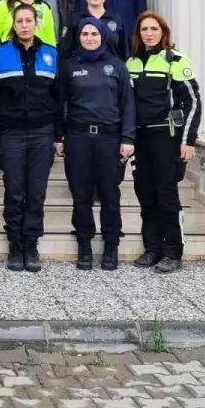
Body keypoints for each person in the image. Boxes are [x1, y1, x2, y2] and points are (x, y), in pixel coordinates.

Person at [56, 17, 136, 271]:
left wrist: (128, 137)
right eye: (85, 34)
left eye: (94, 33)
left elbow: (128, 104)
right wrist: (59, 137)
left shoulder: (117, 66)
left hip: (109, 138)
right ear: (78, 37)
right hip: (78, 138)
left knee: (110, 194)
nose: (89, 38)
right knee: (81, 194)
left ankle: (111, 244)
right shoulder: (68, 67)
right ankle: (84, 243)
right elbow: (59, 105)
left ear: (102, 36)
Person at [127, 11, 202, 273]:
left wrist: (188, 141)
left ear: (163, 33)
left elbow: (192, 103)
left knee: (166, 196)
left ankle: (173, 252)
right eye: (144, 29)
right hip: (141, 139)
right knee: (145, 195)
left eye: (154, 29)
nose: (149, 34)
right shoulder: (132, 63)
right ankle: (152, 248)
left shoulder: (176, 60)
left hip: (167, 138)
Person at [0, 4, 60, 273]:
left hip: (42, 133)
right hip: (12, 134)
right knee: (15, 191)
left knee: (36, 192)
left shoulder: (51, 54)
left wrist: (58, 134)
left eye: (29, 20)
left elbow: (58, 97)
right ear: (13, 25)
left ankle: (31, 244)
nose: (25, 25)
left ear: (36, 24)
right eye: (20, 21)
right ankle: (15, 245)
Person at [60, 0, 128, 60]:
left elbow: (124, 53)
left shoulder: (116, 19)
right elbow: (65, 53)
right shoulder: (75, 19)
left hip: (111, 71)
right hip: (82, 71)